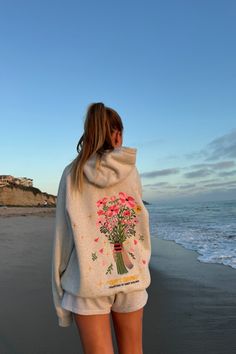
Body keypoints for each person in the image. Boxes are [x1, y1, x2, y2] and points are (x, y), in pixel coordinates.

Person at [51, 102, 152, 354]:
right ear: (116, 133)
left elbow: (62, 241)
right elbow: (141, 227)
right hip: (131, 278)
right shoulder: (131, 171)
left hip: (88, 282)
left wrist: (60, 300)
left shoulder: (71, 174)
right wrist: (142, 264)